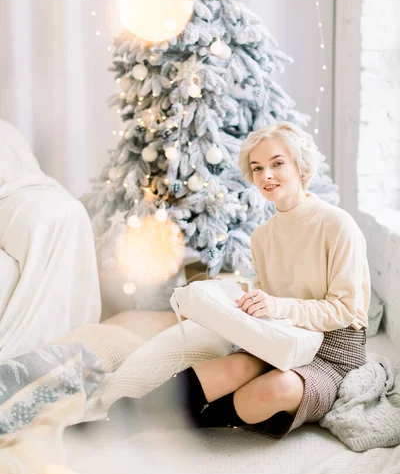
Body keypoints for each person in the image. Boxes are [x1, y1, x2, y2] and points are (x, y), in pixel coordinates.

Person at [85, 122, 371, 439]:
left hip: (332, 352)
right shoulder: (263, 236)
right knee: (235, 368)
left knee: (268, 391)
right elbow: (268, 303)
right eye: (257, 167)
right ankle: (126, 419)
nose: (267, 176)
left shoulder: (338, 225)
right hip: (284, 339)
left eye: (277, 163)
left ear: (301, 167)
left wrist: (277, 306)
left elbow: (347, 311)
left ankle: (168, 421)